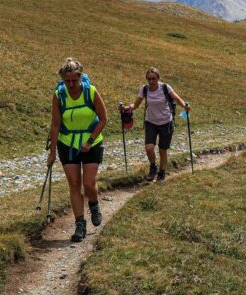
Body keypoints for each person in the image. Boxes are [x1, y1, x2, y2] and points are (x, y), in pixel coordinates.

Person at [47, 58, 108, 243]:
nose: (71, 85)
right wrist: (52, 153)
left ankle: (94, 204)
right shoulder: (59, 95)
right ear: (63, 80)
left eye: (74, 80)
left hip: (92, 142)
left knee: (89, 183)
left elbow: (104, 119)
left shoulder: (90, 91)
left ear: (80, 77)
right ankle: (80, 224)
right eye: (67, 81)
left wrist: (89, 141)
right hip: (67, 143)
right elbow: (56, 124)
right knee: (74, 184)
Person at [119, 67, 190, 182]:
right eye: (149, 79)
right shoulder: (144, 89)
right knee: (149, 148)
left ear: (158, 78)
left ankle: (162, 172)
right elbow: (136, 105)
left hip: (166, 122)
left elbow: (176, 98)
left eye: (153, 78)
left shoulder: (165, 87)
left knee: (163, 150)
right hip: (150, 122)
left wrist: (184, 106)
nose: (151, 81)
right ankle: (153, 167)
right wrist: (126, 108)